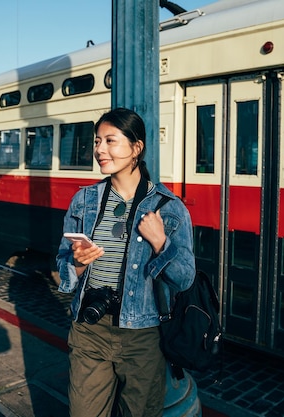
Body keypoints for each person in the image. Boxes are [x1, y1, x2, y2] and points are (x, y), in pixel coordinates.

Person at [56, 108, 195, 417]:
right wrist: (77, 264)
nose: (99, 150)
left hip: (142, 336)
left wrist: (161, 242)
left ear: (136, 148)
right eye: (96, 141)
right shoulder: (84, 200)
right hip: (89, 329)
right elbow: (63, 268)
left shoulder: (169, 208)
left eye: (110, 140)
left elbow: (185, 278)